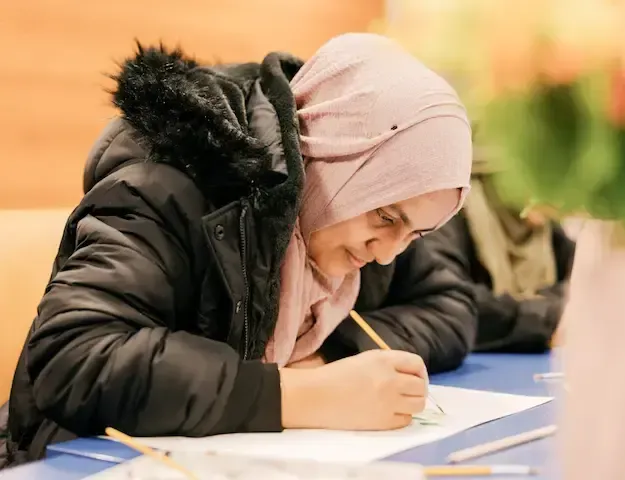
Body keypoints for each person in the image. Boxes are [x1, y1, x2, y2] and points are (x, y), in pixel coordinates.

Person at [3, 33, 474, 466]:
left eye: (415, 233)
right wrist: (296, 394)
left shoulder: (353, 209)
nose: (389, 254)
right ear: (334, 153)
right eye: (387, 218)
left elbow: (450, 306)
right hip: (79, 459)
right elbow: (75, 357)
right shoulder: (173, 181)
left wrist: (329, 361)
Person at [421, 152, 575, 353]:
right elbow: (449, 303)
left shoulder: (542, 225)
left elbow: (584, 281)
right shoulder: (449, 211)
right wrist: (549, 318)